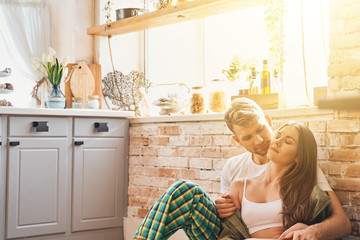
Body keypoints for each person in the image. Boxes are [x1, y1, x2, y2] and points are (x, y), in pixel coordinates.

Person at [133, 98, 350, 240]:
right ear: (237, 140)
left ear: (268, 120)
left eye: (261, 130)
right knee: (185, 191)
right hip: (234, 234)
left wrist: (312, 230)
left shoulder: (304, 172)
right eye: (247, 137)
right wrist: (219, 207)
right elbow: (230, 223)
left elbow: (341, 221)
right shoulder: (234, 169)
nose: (260, 140)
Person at [219, 121, 348, 239]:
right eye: (278, 136)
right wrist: (218, 209)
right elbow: (229, 232)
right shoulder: (239, 186)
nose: (277, 141)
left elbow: (343, 223)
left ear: (299, 156)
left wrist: (311, 230)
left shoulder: (308, 187)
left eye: (288, 141)